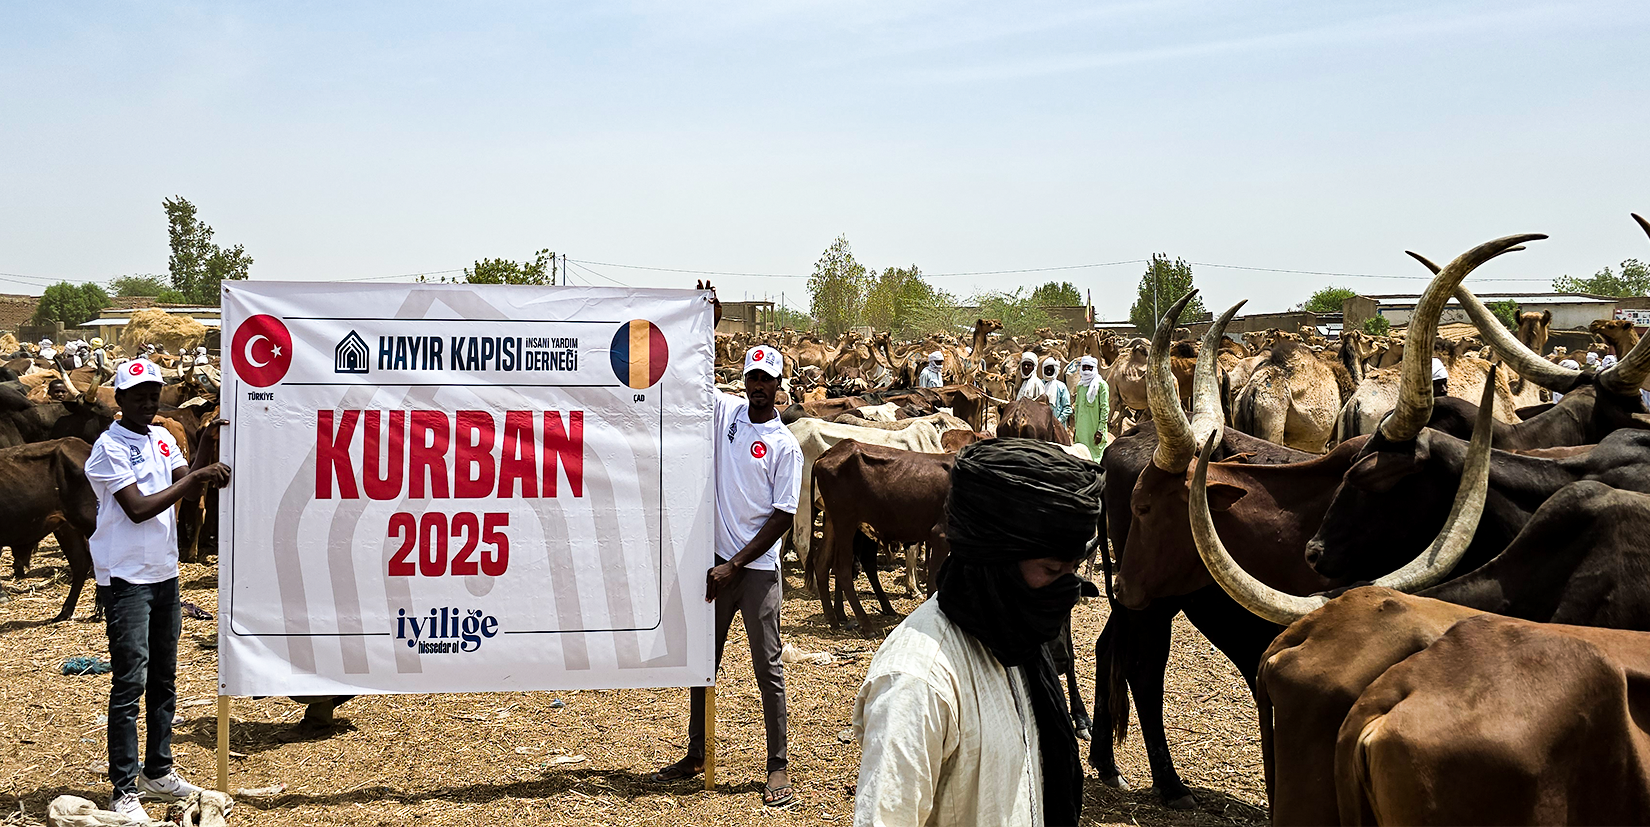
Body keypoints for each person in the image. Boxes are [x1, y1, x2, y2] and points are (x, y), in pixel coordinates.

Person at [853, 439, 1099, 827]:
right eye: (1052, 572)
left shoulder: (1017, 639)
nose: (1067, 591)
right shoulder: (918, 679)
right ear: (993, 560)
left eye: (1072, 572)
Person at [644, 340, 802, 809]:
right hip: (716, 567)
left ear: (778, 386)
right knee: (701, 662)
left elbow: (782, 517)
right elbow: (695, 376)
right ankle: (696, 753)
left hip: (754, 574)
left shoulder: (784, 446)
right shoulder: (727, 415)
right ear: (746, 381)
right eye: (752, 377)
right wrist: (703, 322)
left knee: (768, 669)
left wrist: (735, 564)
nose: (758, 386)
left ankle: (777, 766)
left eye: (766, 379)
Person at [85, 359, 230, 820]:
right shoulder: (108, 447)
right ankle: (123, 789)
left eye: (154, 394)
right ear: (120, 401)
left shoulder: (164, 438)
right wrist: (195, 477)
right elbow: (137, 509)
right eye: (139, 395)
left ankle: (158, 770)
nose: (148, 402)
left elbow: (187, 494)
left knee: (164, 677)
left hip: (165, 574)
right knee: (130, 683)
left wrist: (207, 443)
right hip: (126, 579)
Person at [1071, 356, 1109, 457]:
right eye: (1085, 367)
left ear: (1094, 368)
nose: (1087, 370)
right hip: (1081, 432)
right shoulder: (1080, 386)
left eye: (1089, 367)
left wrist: (1100, 431)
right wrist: (1076, 428)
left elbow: (1105, 409)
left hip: (1094, 432)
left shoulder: (1101, 385)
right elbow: (1078, 408)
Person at [1040, 356, 1071, 427]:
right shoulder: (1040, 384)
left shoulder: (1061, 386)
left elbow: (1067, 408)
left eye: (1051, 369)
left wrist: (1058, 421)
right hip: (1041, 425)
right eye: (1047, 369)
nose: (1048, 371)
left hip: (1058, 426)